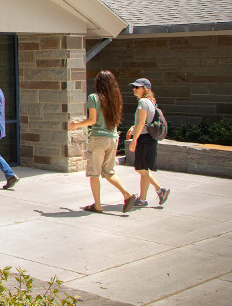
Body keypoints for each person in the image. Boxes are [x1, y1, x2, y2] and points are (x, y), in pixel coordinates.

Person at [68, 71, 136, 213]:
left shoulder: (94, 97)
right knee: (108, 172)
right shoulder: (115, 99)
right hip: (112, 137)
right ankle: (127, 194)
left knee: (94, 173)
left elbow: (92, 120)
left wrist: (76, 124)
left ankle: (97, 205)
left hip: (99, 139)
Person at [125, 77, 170, 208]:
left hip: (144, 139)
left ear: (144, 89)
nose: (134, 89)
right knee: (142, 170)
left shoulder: (143, 102)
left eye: (137, 87)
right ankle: (160, 191)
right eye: (133, 87)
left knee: (142, 170)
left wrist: (134, 140)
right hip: (149, 139)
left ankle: (144, 199)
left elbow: (142, 122)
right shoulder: (151, 102)